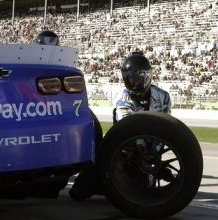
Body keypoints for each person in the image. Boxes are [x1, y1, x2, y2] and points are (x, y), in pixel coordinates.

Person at [69, 51, 171, 201]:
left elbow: (168, 127)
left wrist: (154, 157)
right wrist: (148, 158)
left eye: (137, 77)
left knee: (145, 188)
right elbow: (131, 131)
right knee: (79, 192)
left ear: (147, 75)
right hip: (125, 147)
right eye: (129, 77)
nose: (133, 81)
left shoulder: (163, 96)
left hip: (151, 146)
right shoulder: (122, 100)